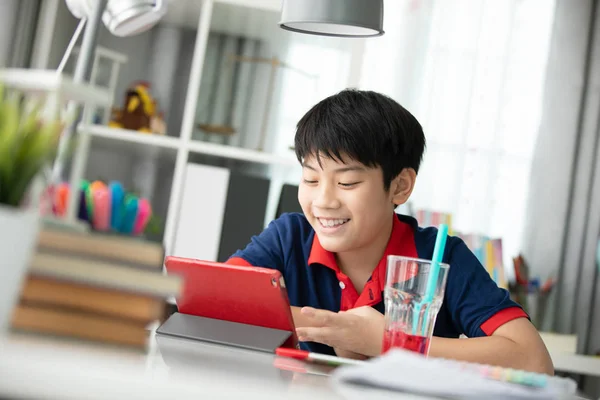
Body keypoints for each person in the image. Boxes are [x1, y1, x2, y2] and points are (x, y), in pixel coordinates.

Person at [226, 89, 553, 374]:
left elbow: (534, 361)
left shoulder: (442, 257)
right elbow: (217, 303)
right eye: (311, 179)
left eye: (346, 182)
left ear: (399, 186)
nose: (323, 200)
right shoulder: (290, 238)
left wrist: (389, 341)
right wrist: (341, 331)